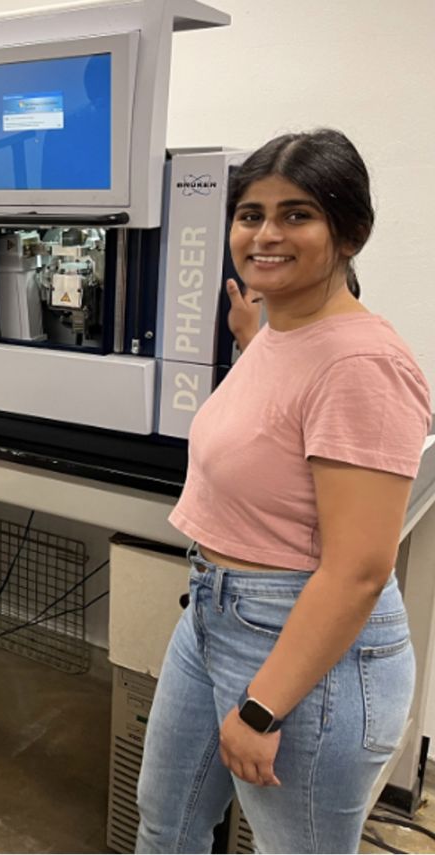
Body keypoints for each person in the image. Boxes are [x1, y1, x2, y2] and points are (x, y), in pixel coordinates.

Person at [136, 128, 431, 853]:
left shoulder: (362, 365)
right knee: (165, 820)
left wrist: (263, 708)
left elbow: (360, 568)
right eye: (250, 214)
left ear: (350, 231)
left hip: (303, 648)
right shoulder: (281, 326)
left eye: (297, 214)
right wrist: (250, 337)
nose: (265, 233)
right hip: (213, 611)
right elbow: (285, 416)